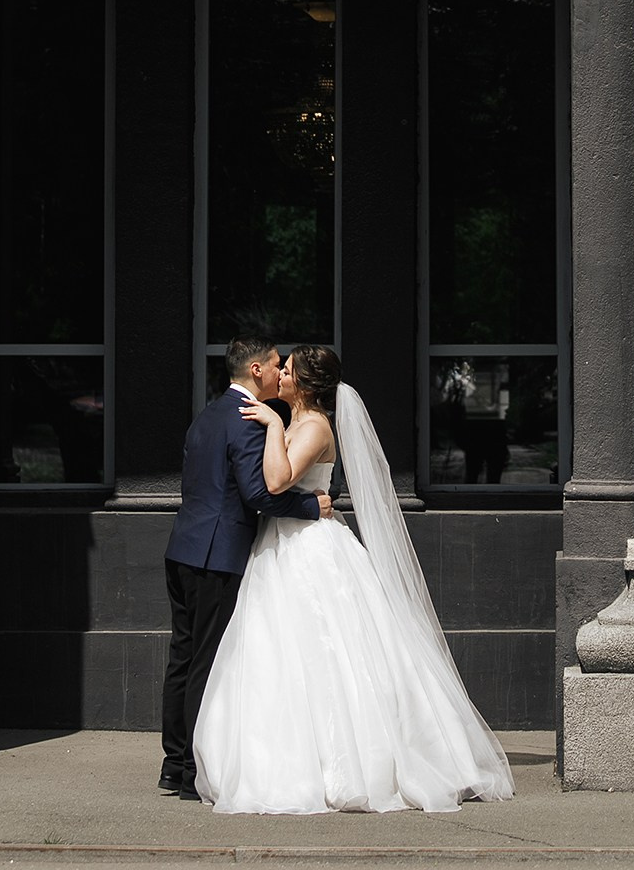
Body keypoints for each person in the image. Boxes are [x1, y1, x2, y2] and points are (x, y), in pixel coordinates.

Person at [192, 345, 515, 813]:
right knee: (276, 652)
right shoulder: (296, 420)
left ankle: (352, 764)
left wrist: (274, 427)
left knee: (328, 650)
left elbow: (278, 481)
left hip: (309, 549)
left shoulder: (314, 425)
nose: (279, 375)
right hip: (282, 543)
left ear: (302, 383)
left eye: (287, 370)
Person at [159, 334, 335, 802]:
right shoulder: (250, 422)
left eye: (288, 367)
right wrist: (313, 507)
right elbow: (261, 494)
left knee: (182, 656)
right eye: (277, 364)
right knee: (208, 660)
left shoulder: (207, 416)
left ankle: (172, 763)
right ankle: (196, 768)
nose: (280, 372)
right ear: (257, 370)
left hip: (183, 547)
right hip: (216, 554)